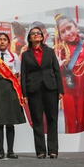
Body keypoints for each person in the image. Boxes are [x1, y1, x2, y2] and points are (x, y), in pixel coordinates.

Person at [53, 14, 84, 133]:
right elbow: (53, 72)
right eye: (63, 31)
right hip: (67, 91)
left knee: (83, 120)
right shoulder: (59, 49)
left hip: (83, 91)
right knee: (70, 123)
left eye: (69, 28)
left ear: (76, 27)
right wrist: (58, 66)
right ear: (60, 35)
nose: (68, 33)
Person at [21, 26, 64, 158]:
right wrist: (25, 94)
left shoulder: (50, 52)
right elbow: (23, 74)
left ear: (42, 36)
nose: (36, 35)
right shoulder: (26, 54)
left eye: (38, 33)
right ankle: (40, 151)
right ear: (29, 38)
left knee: (52, 119)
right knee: (37, 120)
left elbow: (57, 71)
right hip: (33, 90)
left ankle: (53, 150)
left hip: (50, 88)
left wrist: (60, 90)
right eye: (33, 34)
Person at [0, 33, 26, 159]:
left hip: (10, 89)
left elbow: (17, 75)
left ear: (8, 42)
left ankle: (11, 151)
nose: (2, 42)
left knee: (10, 121)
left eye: (4, 40)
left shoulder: (15, 57)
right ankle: (0, 151)